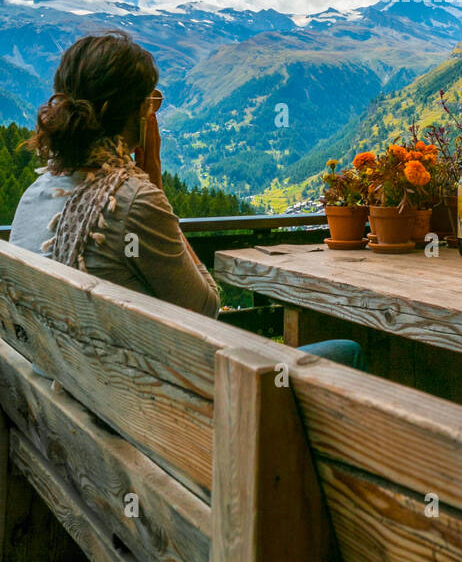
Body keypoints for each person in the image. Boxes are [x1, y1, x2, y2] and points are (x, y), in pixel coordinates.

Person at [10, 31, 365, 370]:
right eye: (151, 102)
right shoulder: (132, 200)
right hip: (155, 412)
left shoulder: (34, 197)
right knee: (346, 352)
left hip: (71, 401)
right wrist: (155, 187)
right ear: (138, 113)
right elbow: (206, 309)